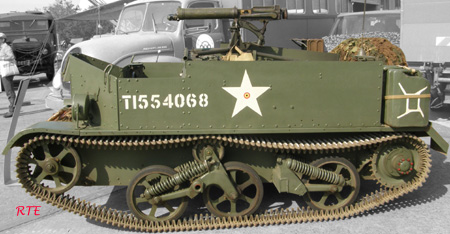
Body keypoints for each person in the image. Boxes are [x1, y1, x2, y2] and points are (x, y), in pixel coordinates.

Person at [0, 32, 16, 118]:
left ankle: (11, 110)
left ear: (3, 39)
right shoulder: (1, 47)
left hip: (7, 71)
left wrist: (1, 58)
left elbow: (11, 57)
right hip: (3, 71)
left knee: (9, 90)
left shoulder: (6, 47)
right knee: (8, 90)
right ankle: (13, 108)